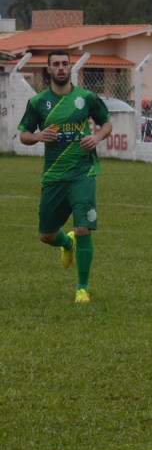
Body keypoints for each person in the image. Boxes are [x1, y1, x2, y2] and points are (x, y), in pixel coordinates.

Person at [18, 49, 113, 304]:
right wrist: (38, 136)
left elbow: (106, 123)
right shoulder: (38, 102)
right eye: (56, 64)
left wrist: (96, 137)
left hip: (83, 172)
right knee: (46, 234)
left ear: (71, 67)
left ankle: (82, 288)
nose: (61, 68)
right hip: (53, 175)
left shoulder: (86, 98)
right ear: (48, 70)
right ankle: (66, 244)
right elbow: (24, 134)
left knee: (83, 228)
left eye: (65, 64)